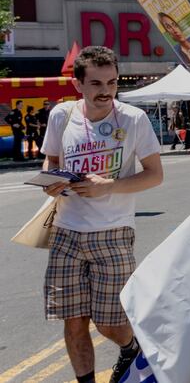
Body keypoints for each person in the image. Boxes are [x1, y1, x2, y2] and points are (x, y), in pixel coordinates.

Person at [39, 46, 163, 383]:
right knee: (73, 319)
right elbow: (50, 163)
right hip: (66, 230)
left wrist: (107, 186)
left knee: (108, 322)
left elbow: (155, 174)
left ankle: (131, 345)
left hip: (113, 231)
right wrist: (50, 182)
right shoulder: (61, 116)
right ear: (79, 84)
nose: (106, 91)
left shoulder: (133, 119)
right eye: (95, 83)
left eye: (112, 82)